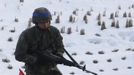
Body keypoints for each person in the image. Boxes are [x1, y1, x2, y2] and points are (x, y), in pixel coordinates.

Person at [14, 7, 75, 75]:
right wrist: (36, 59)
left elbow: (60, 47)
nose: (45, 25)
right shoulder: (27, 34)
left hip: (51, 67)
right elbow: (19, 55)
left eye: (47, 22)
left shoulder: (54, 31)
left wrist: (58, 56)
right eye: (42, 23)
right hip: (34, 69)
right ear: (36, 22)